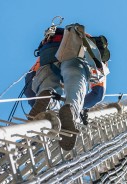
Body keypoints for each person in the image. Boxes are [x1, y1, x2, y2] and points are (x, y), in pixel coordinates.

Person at [28, 23, 109, 151]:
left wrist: (35, 102)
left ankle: (48, 96)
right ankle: (70, 109)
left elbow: (29, 80)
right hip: (78, 53)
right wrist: (80, 106)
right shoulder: (95, 55)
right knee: (75, 80)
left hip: (48, 49)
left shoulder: (57, 37)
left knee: (46, 80)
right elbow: (98, 94)